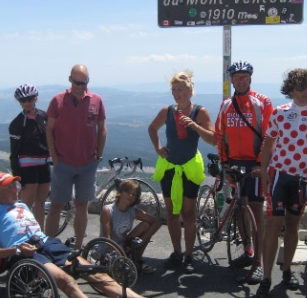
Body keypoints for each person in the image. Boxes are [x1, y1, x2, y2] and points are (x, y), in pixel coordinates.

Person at [0, 173, 185, 298]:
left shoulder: (22, 206)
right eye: (10, 186)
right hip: (23, 253)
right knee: (66, 281)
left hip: (46, 243)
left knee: (91, 271)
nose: (16, 189)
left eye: (16, 185)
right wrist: (17, 250)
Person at [257, 68, 307, 298]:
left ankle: (286, 271)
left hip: (304, 178)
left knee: (293, 226)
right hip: (280, 176)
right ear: (291, 90)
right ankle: (265, 278)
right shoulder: (279, 112)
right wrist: (264, 171)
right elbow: (268, 144)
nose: (306, 92)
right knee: (274, 226)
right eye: (301, 87)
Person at [148, 70, 216, 273]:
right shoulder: (167, 111)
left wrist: (194, 126)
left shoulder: (199, 112)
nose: (177, 94)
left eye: (181, 90)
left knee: (188, 214)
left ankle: (188, 256)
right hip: (169, 166)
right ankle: (177, 253)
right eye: (174, 90)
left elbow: (212, 139)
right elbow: (152, 128)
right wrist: (158, 148)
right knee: (171, 213)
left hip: (189, 167)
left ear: (190, 90)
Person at [215, 61, 273, 284]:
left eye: (245, 77)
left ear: (250, 78)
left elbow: (269, 136)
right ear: (231, 79)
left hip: (255, 165)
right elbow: (220, 136)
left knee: (256, 211)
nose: (241, 80)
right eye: (237, 77)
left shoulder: (262, 102)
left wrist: (261, 163)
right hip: (234, 163)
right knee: (239, 208)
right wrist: (225, 164)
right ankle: (248, 251)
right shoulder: (226, 105)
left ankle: (258, 262)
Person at [45, 64, 107, 249]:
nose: (80, 86)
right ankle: (49, 247)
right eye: (77, 82)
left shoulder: (97, 100)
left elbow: (102, 129)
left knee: (82, 206)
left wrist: (99, 155)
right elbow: (49, 129)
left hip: (88, 163)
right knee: (56, 205)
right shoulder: (57, 101)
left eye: (84, 82)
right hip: (63, 162)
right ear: (70, 79)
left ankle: (78, 247)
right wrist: (54, 157)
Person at [9, 84, 51, 231]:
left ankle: (39, 234)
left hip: (44, 164)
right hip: (28, 167)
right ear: (20, 102)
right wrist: (16, 176)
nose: (27, 102)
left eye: (30, 99)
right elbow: (14, 152)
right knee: (27, 204)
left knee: (41, 203)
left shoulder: (44, 116)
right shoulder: (17, 124)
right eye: (23, 100)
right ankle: (24, 235)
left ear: (36, 99)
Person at [100, 179, 162, 274]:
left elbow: (157, 222)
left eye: (134, 194)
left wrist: (142, 241)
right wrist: (119, 255)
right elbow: (108, 238)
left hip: (124, 246)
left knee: (146, 225)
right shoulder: (108, 210)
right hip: (109, 250)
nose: (131, 196)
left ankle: (137, 260)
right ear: (120, 192)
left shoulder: (133, 211)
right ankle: (127, 261)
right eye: (128, 192)